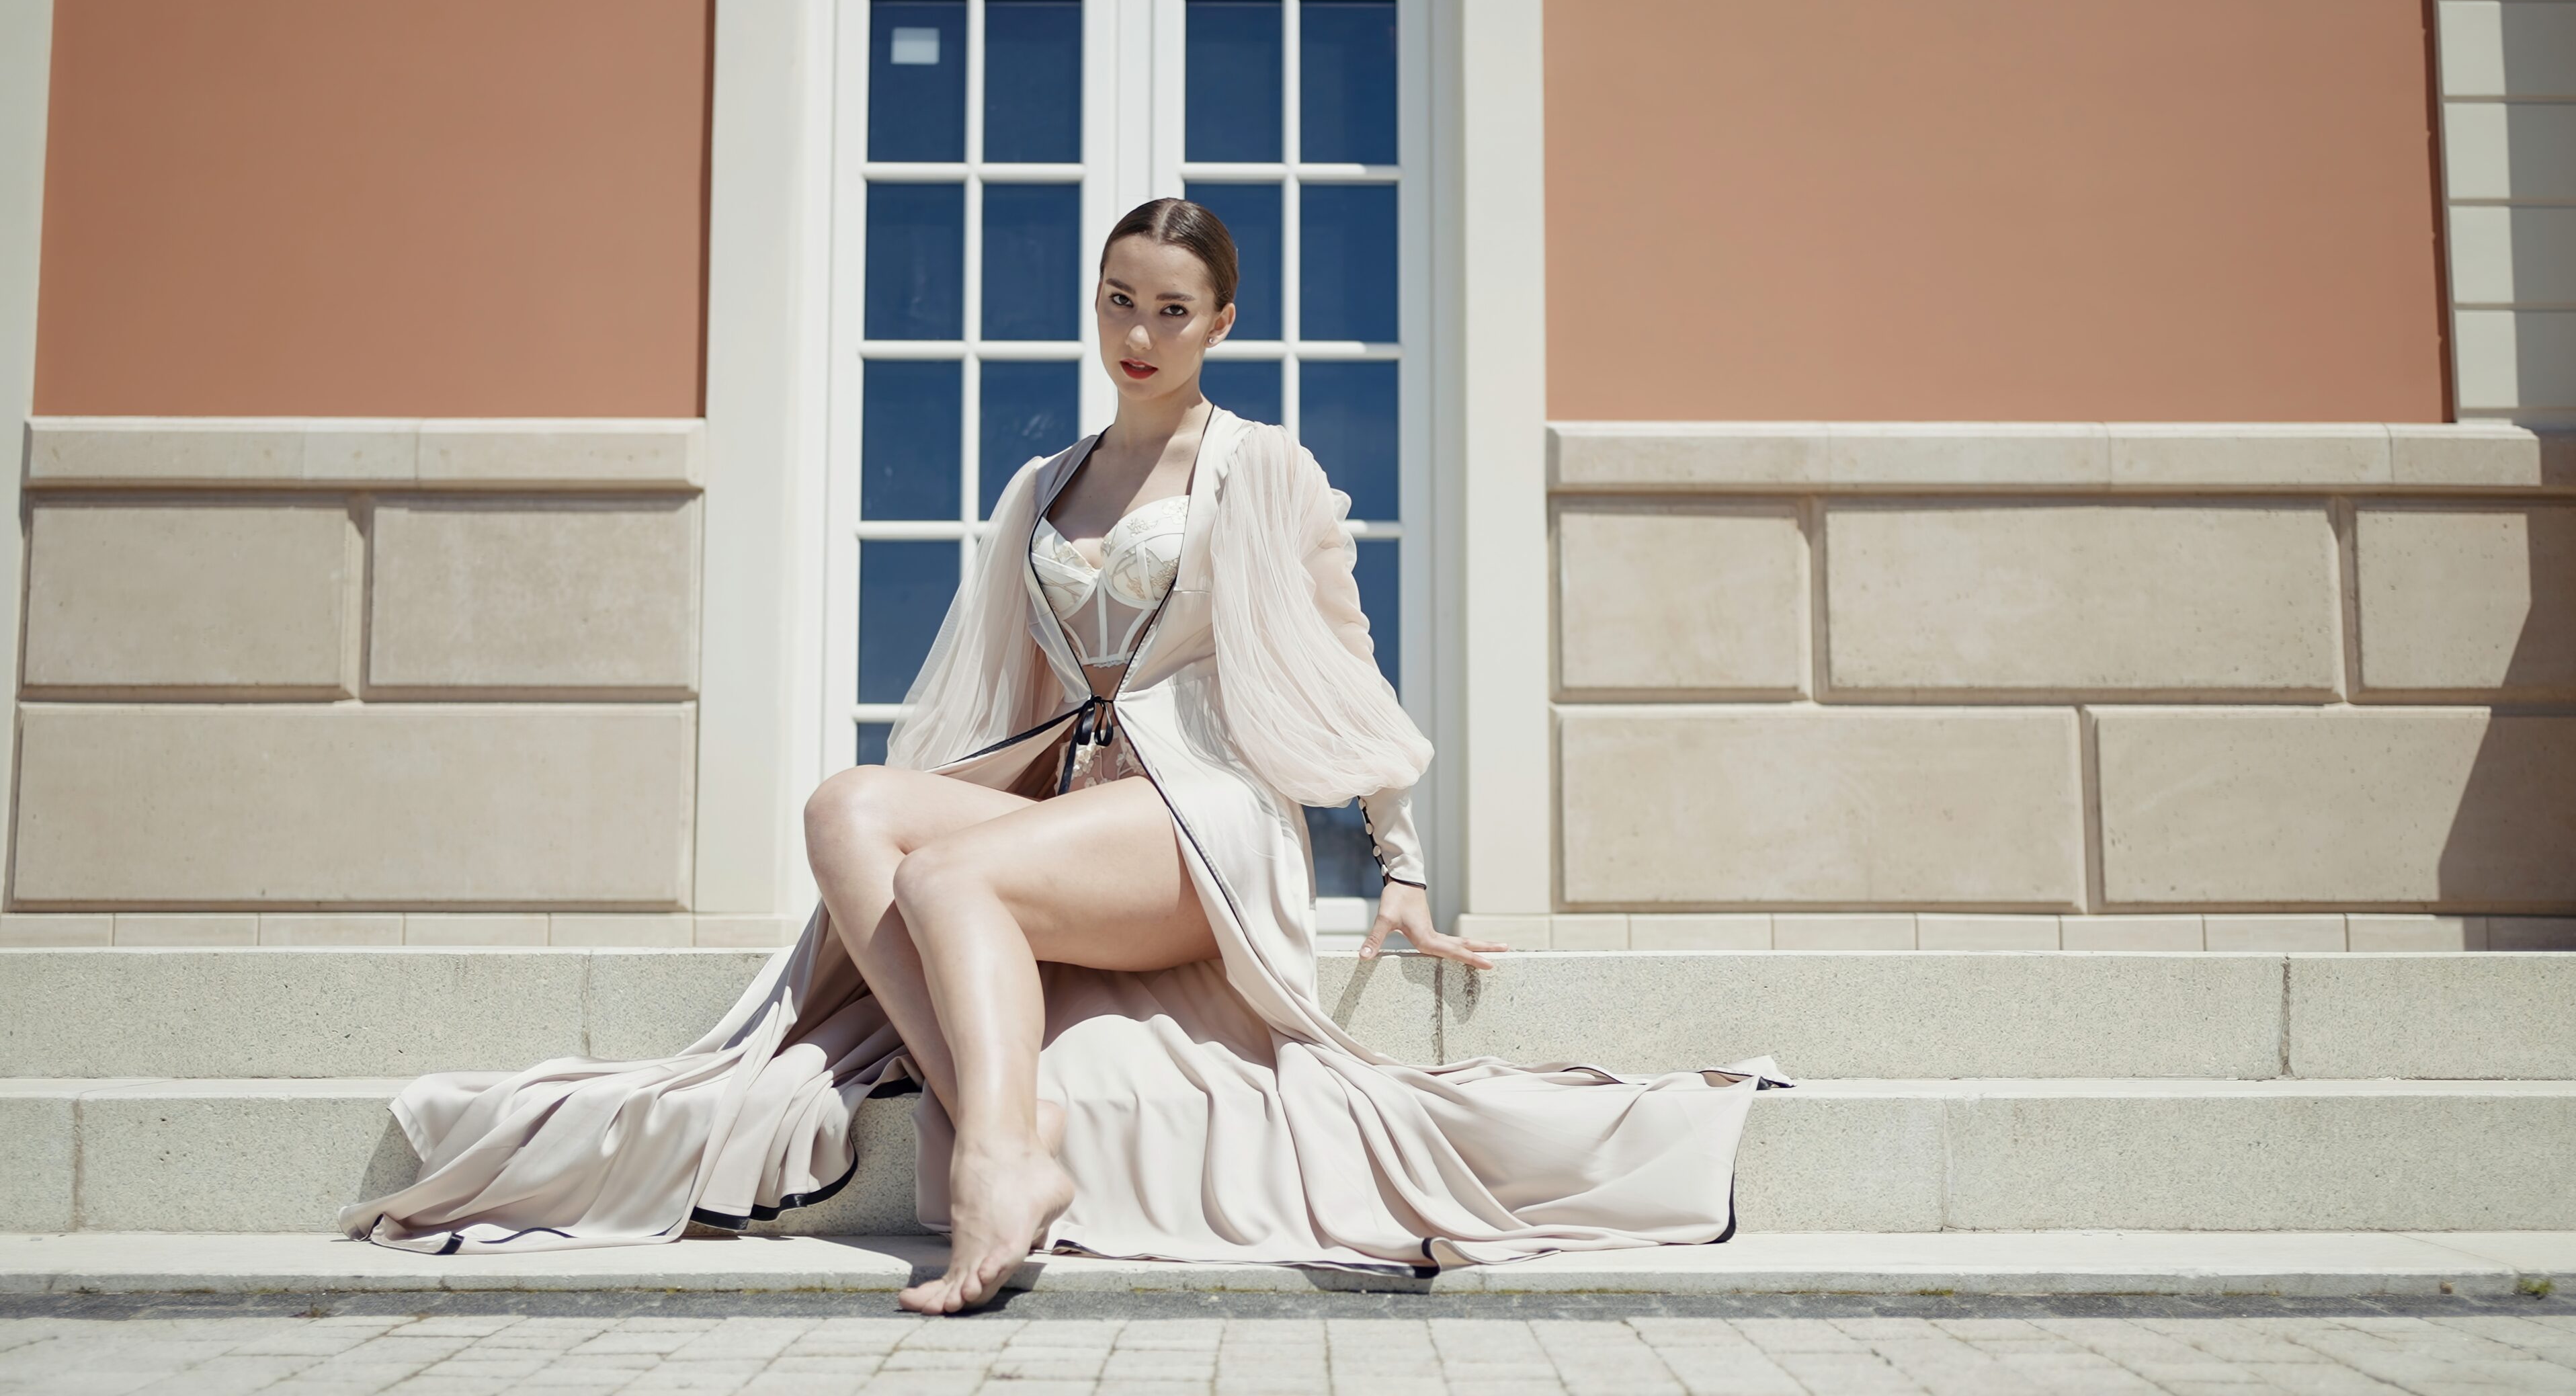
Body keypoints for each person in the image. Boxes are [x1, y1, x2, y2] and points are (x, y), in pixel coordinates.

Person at [340, 198, 1776, 1316]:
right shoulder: (1046, 480)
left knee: (955, 881)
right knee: (846, 806)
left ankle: (998, 1166)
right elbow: (1006, 689)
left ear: (1221, 320)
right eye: (1117, 303)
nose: (1138, 334)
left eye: (1170, 310)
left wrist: (1397, 865)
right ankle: (999, 1120)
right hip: (1067, 790)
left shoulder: (1259, 467)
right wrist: (999, 793)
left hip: (1196, 810)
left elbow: (1344, 664)